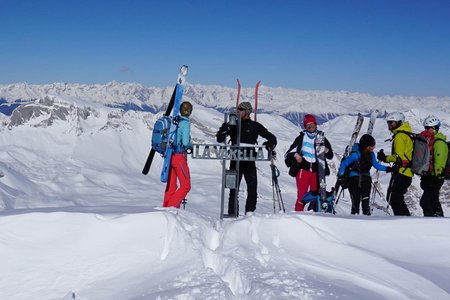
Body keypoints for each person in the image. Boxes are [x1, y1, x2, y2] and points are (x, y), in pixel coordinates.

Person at [216, 101, 277, 216]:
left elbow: (272, 137)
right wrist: (224, 129)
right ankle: (232, 214)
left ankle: (249, 214)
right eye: (237, 109)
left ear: (247, 112)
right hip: (234, 161)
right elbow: (219, 139)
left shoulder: (255, 125)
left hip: (249, 162)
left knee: (252, 189)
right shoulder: (232, 125)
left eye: (240, 109)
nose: (237, 111)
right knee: (233, 189)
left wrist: (270, 144)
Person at [285, 114, 333, 212]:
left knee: (316, 194)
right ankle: (298, 214)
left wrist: (326, 150)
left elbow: (330, 155)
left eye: (311, 124)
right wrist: (295, 155)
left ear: (316, 125)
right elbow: (288, 153)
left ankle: (313, 214)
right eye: (307, 125)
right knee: (302, 195)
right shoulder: (301, 138)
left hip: (317, 171)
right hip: (303, 170)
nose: (310, 126)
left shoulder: (321, 137)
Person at [337, 134, 392, 215]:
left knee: (363, 203)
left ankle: (361, 218)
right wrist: (341, 176)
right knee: (357, 202)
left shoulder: (371, 154)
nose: (373, 148)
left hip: (361, 180)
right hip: (355, 180)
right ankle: (362, 218)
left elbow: (376, 165)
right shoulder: (356, 155)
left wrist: (388, 169)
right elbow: (344, 164)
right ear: (366, 146)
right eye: (372, 146)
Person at [377, 111, 413, 216]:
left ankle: (404, 220)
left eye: (392, 123)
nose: (389, 125)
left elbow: (398, 158)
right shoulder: (405, 133)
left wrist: (384, 158)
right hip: (406, 172)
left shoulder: (400, 136)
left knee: (394, 198)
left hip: (402, 171)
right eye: (388, 123)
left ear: (399, 122)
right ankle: (404, 219)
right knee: (396, 198)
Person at [163, 101, 193, 208]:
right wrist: (191, 145)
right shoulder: (185, 123)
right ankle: (171, 208)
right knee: (186, 186)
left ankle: (165, 209)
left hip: (170, 155)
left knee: (171, 187)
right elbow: (185, 142)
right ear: (189, 112)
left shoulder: (175, 121)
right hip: (179, 156)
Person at [419, 116, 447, 217]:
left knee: (427, 201)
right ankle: (435, 218)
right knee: (432, 200)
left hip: (435, 177)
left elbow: (439, 159)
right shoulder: (431, 141)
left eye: (428, 128)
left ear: (435, 128)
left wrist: (437, 174)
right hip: (431, 176)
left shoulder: (439, 142)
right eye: (425, 128)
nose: (426, 130)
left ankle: (435, 220)